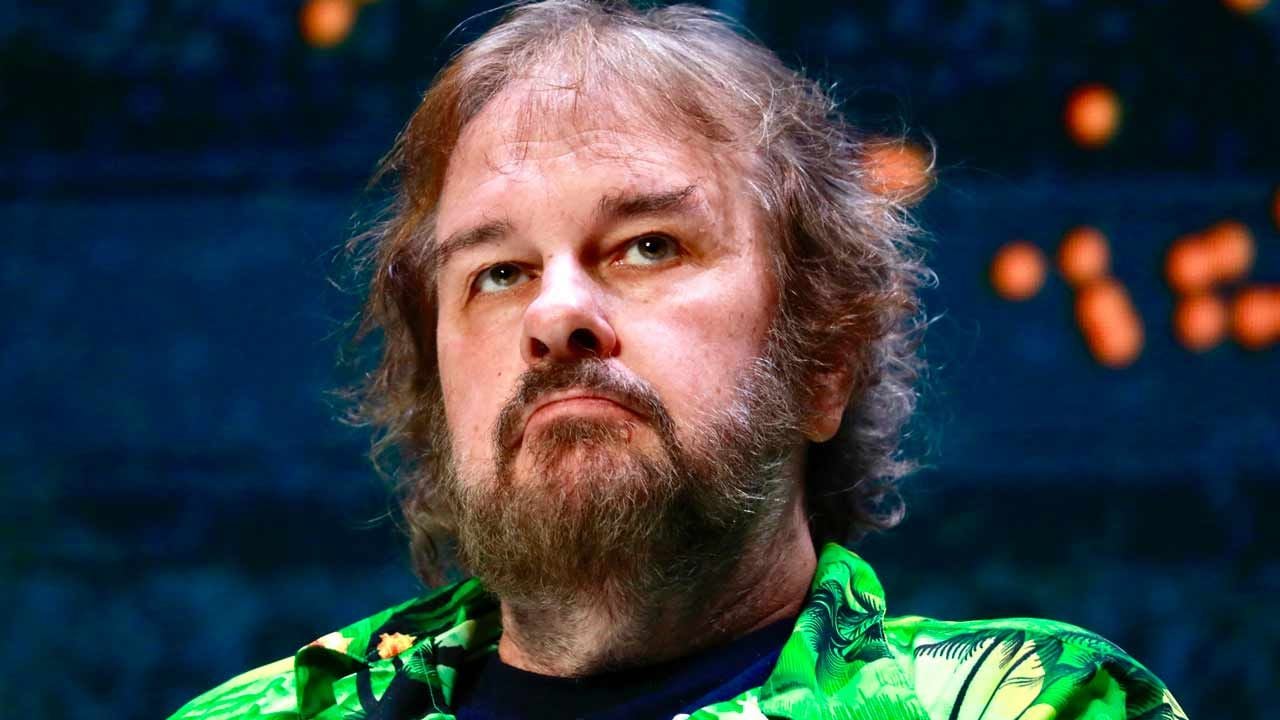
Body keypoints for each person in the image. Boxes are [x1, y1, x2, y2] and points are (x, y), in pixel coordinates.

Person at [170, 2, 1187, 718]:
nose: (555, 313)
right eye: (498, 272)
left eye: (647, 246)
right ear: (437, 390)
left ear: (824, 361)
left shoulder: (1036, 705)